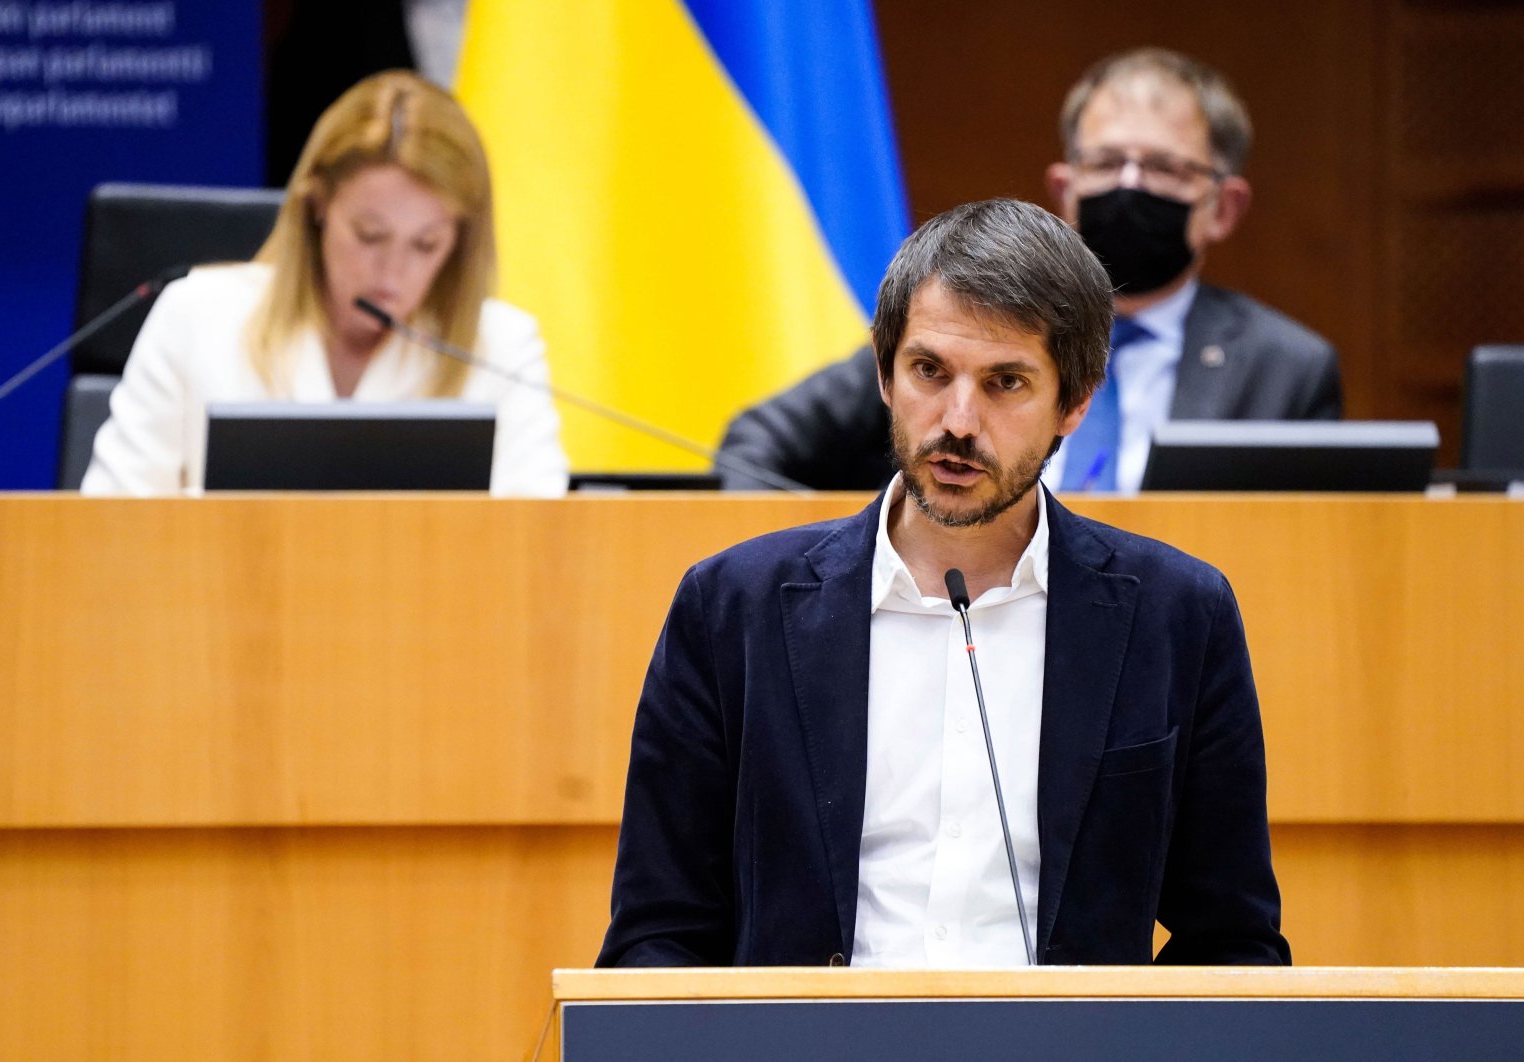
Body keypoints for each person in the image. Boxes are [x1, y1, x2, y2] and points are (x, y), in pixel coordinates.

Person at [600, 199, 1288, 968]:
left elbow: (1233, 943)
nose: (958, 421)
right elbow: (654, 939)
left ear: (1076, 400)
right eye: (930, 371)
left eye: (1005, 383)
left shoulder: (1176, 616)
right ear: (885, 374)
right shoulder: (732, 609)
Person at [713, 47, 1339, 494]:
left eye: (1163, 169)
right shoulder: (960, 330)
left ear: (1224, 207)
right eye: (1107, 163)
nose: (1129, 186)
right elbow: (757, 446)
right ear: (1066, 190)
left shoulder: (1286, 367)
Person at [83, 70, 569, 497]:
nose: (392, 272)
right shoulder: (197, 316)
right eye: (370, 235)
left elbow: (535, 552)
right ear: (316, 206)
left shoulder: (501, 350)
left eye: (425, 245)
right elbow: (110, 526)